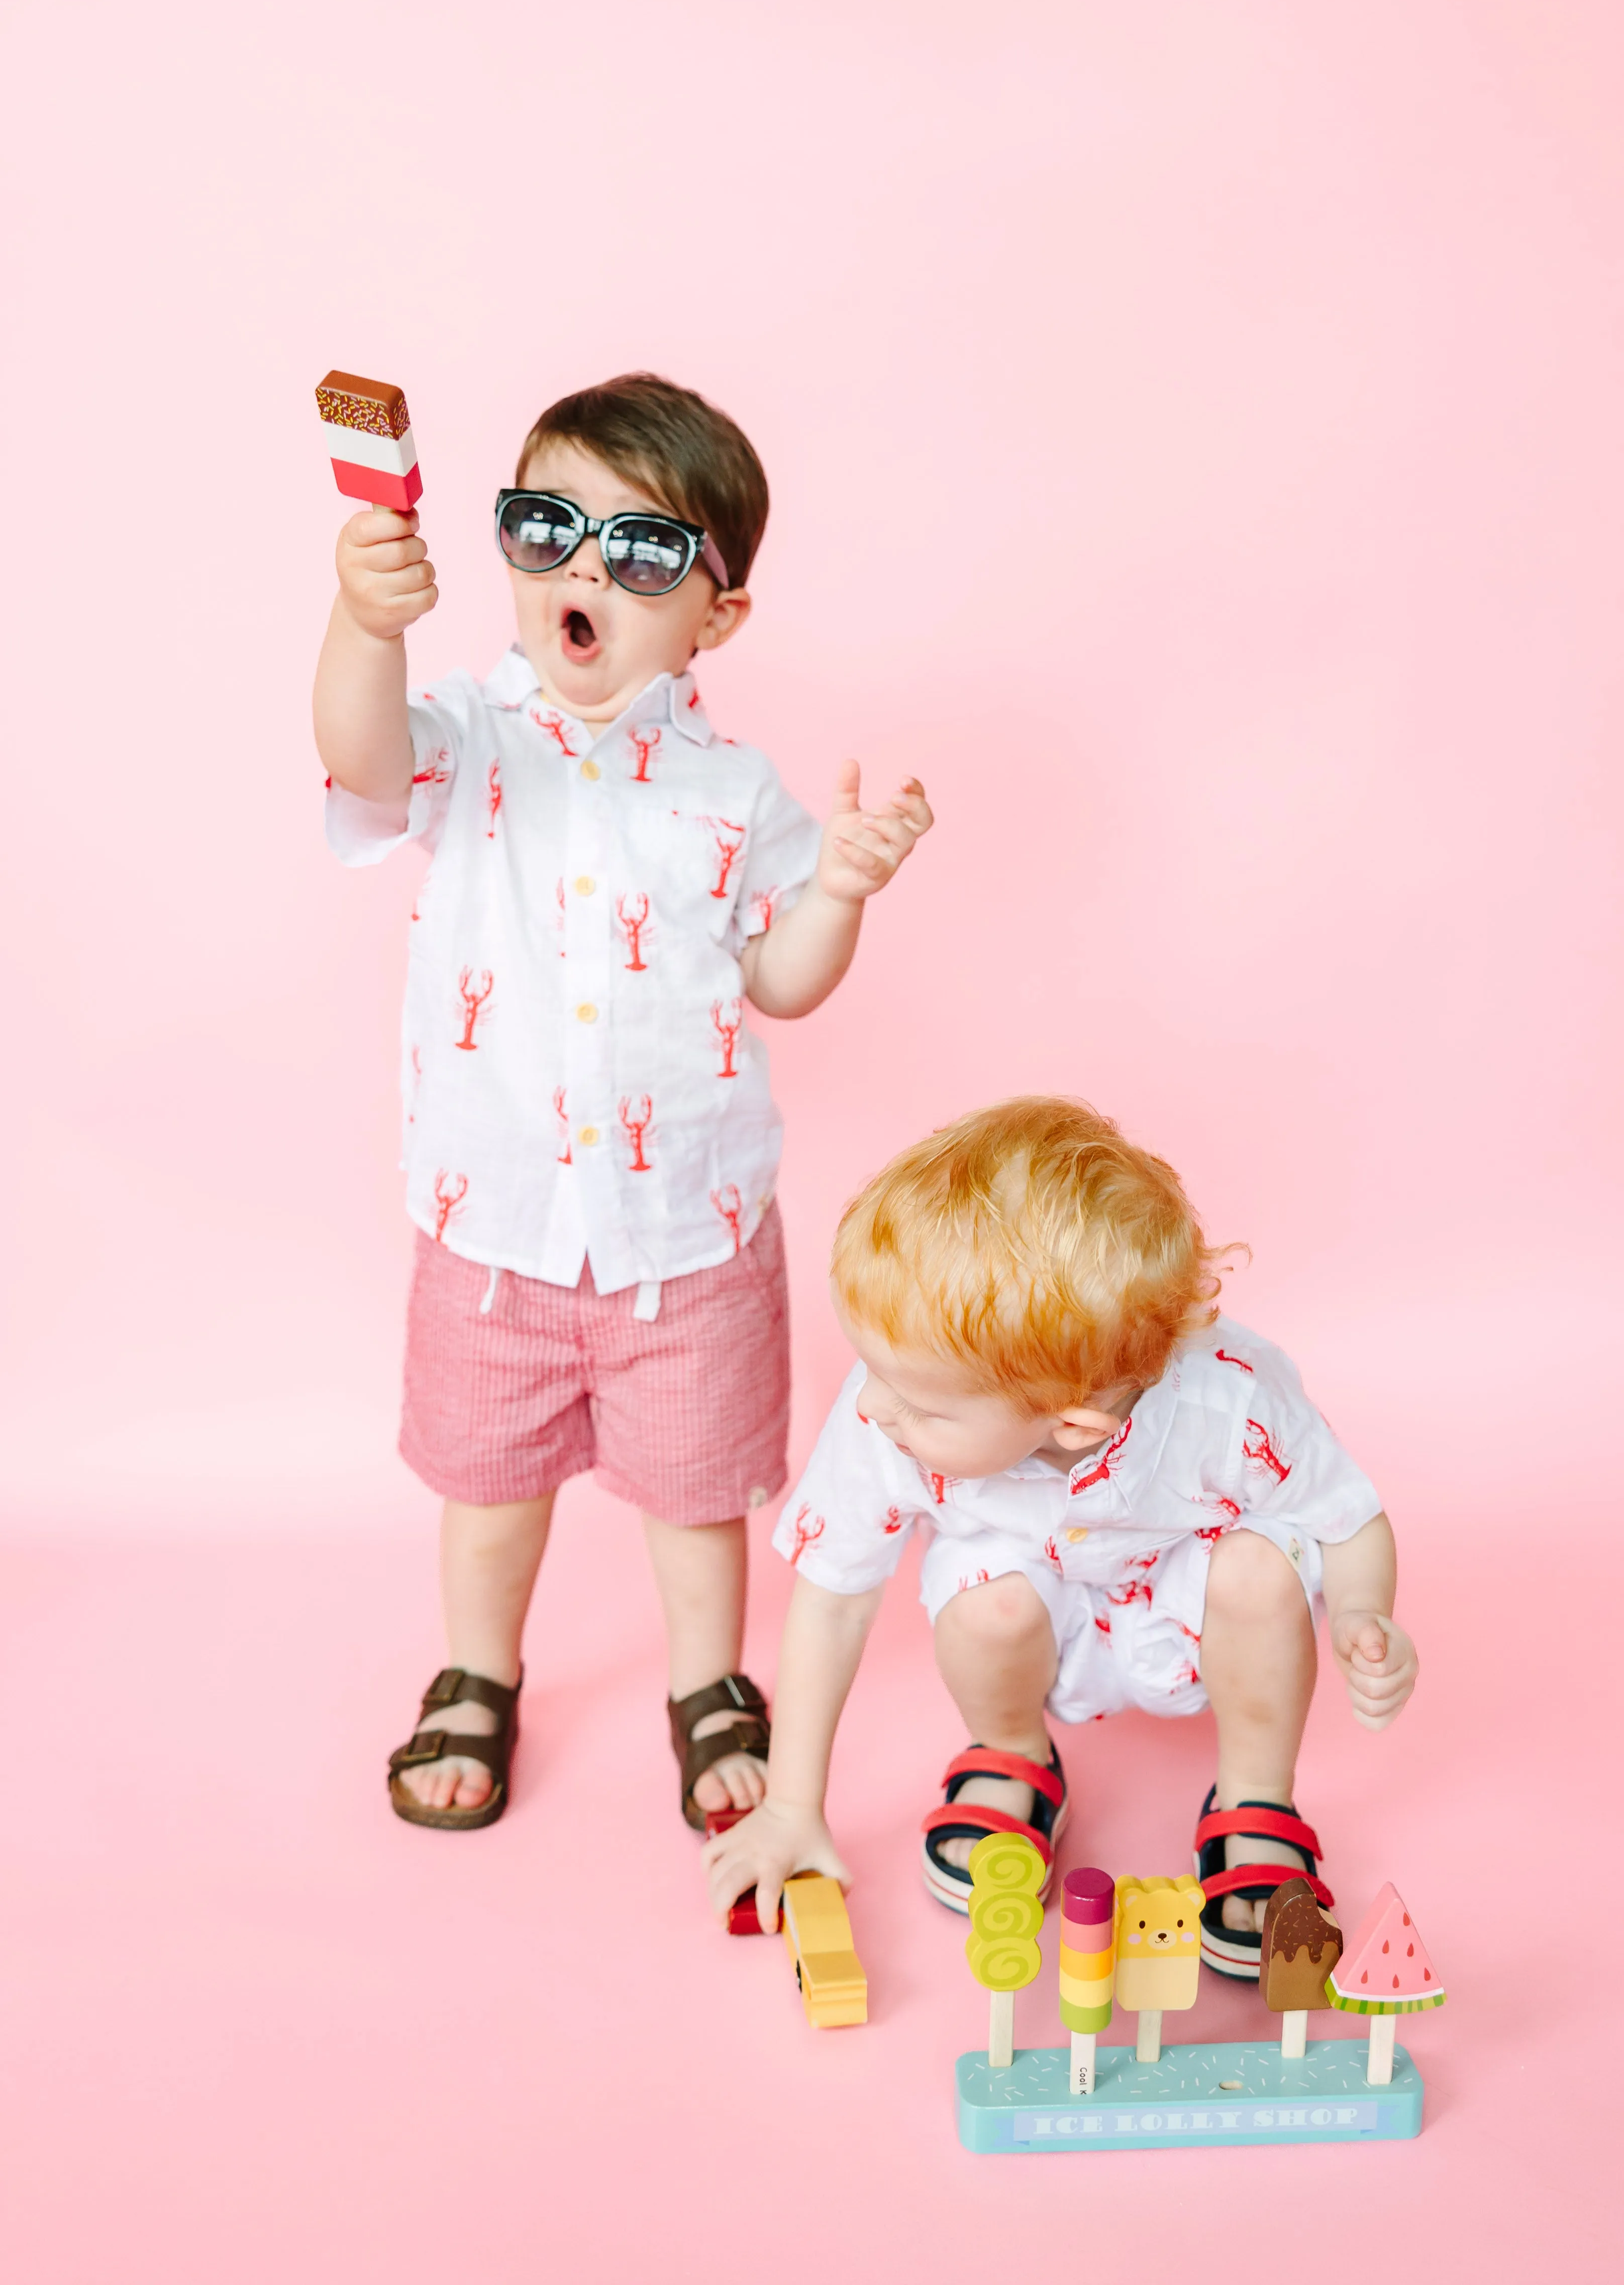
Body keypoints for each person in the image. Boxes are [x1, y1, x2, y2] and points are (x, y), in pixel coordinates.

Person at [314, 372, 932, 1834]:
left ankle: (708, 1687)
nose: (586, 569)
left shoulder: (736, 794)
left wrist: (838, 889)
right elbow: (358, 754)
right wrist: (366, 619)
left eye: (642, 550)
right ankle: (477, 1671)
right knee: (487, 1485)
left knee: (698, 1494)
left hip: (687, 1230)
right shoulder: (465, 735)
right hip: (493, 1221)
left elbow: (781, 981)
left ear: (716, 614)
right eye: (548, 527)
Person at [702, 1097, 1417, 1976]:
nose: (869, 1406)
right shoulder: (891, 1399)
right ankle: (1010, 1755)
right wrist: (789, 1806)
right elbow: (833, 1603)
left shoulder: (1229, 1399)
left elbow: (1346, 1517)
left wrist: (1360, 1613)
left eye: (919, 1403)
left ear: (1072, 1423)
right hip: (1038, 1613)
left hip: (1189, 1617)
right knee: (984, 1599)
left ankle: (1256, 1806)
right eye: (872, 1370)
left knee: (1264, 1568)